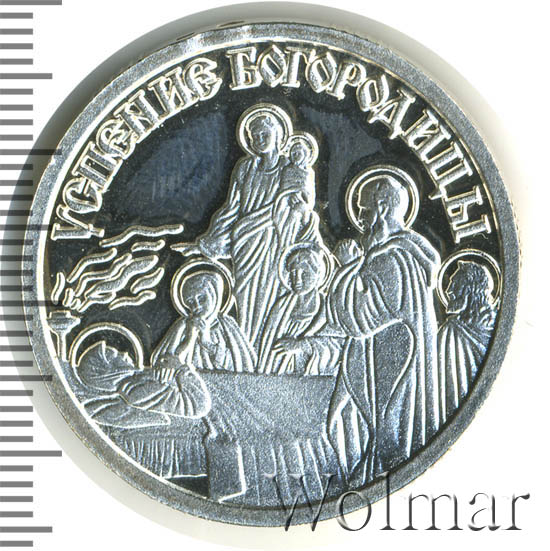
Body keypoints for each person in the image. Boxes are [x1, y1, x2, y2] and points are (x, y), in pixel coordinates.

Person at [172, 105, 323, 353]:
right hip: (244, 244)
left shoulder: (290, 169)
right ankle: (246, 352)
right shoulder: (245, 168)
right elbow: (231, 208)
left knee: (273, 297)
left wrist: (303, 211)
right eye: (254, 136)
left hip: (276, 243)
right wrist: (207, 242)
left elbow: (302, 207)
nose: (259, 140)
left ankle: (268, 352)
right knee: (245, 299)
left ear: (278, 135)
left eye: (264, 134)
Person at [327, 173, 441, 483]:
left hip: (388, 378)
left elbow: (358, 320)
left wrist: (347, 267)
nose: (361, 219)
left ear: (381, 208)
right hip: (390, 368)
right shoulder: (408, 254)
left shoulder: (391, 259)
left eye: (364, 210)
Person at [76, 339, 211, 478]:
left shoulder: (139, 381)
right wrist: (181, 369)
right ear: (108, 372)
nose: (124, 353)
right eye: (115, 356)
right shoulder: (139, 391)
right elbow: (199, 405)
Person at [151, 271, 255, 373]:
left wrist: (207, 343)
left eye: (201, 298)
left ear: (214, 295)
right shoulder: (182, 327)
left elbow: (242, 365)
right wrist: (189, 339)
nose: (196, 306)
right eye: (190, 302)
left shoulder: (227, 325)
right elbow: (163, 362)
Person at [257, 244, 335, 375]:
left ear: (318, 274)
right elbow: (266, 346)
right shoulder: (281, 307)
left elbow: (336, 347)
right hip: (275, 374)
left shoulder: (328, 309)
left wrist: (300, 345)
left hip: (310, 378)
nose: (297, 279)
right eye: (293, 273)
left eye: (304, 273)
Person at [438, 260, 497, 423]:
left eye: (455, 284)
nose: (449, 290)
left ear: (470, 289)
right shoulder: (451, 330)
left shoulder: (494, 326)